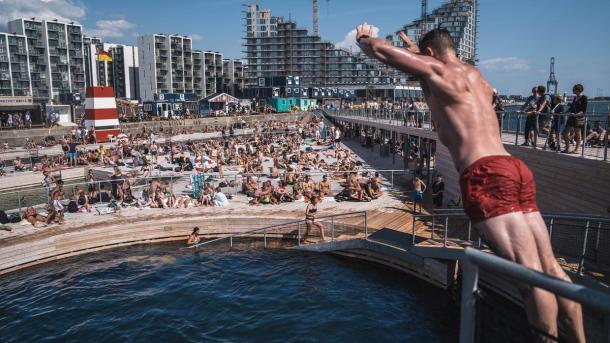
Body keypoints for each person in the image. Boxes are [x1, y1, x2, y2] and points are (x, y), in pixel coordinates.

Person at [356, 24, 584, 341]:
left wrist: (365, 40)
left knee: (529, 275)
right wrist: (420, 58)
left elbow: (382, 51)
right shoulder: (478, 79)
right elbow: (439, 84)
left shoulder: (438, 69)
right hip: (513, 167)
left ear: (431, 54)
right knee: (551, 268)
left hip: (485, 173)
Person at [563, 84, 588, 154]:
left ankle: (576, 149)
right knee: (565, 133)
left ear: (578, 90)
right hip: (571, 117)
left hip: (578, 118)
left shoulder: (584, 98)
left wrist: (576, 115)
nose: (572, 90)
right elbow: (571, 108)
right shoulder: (575, 98)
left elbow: (583, 110)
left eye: (574, 89)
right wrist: (565, 112)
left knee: (578, 134)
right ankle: (567, 148)